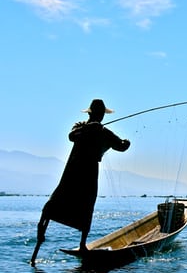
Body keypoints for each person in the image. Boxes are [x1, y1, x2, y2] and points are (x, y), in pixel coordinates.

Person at [33, 99, 130, 261]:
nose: (100, 117)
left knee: (86, 205)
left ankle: (83, 244)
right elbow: (72, 136)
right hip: (74, 170)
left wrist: (127, 142)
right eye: (98, 114)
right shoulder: (80, 126)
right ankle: (40, 233)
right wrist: (89, 128)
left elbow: (121, 146)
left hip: (89, 172)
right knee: (56, 201)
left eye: (101, 115)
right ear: (92, 114)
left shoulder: (104, 132)